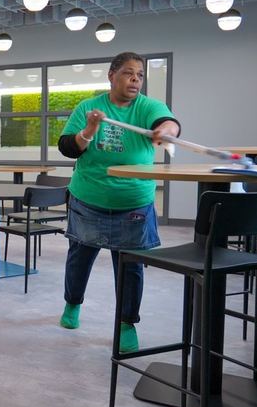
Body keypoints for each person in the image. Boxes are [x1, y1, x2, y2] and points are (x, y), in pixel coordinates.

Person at [56, 52, 180, 353]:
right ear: (112, 75)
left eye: (139, 74)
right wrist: (89, 131)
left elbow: (168, 122)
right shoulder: (89, 107)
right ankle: (72, 305)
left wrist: (167, 132)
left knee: (130, 267)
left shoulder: (148, 106)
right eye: (128, 72)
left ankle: (126, 323)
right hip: (89, 198)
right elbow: (67, 148)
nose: (135, 79)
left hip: (133, 203)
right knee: (79, 259)